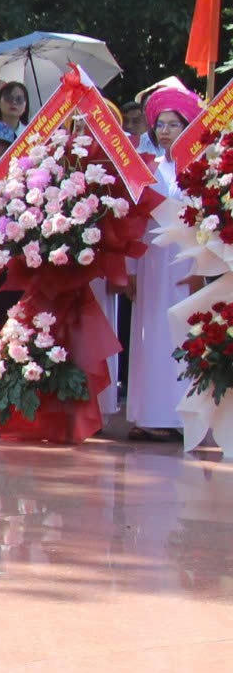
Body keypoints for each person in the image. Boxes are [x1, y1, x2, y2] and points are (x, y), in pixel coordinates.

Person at [126, 80, 201, 440]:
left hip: (186, 263)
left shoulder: (201, 169)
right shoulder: (148, 168)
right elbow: (133, 221)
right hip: (151, 262)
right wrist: (129, 269)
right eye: (161, 125)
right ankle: (149, 415)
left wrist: (202, 268)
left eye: (174, 124)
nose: (166, 131)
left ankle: (183, 418)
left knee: (182, 334)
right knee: (150, 334)